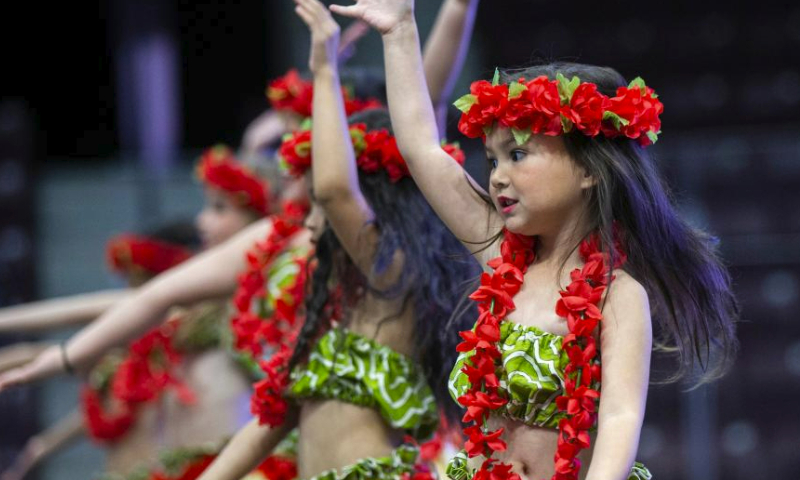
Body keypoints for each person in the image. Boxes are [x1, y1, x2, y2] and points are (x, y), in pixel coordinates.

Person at [329, 1, 740, 479]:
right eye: (492, 159)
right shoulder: (501, 256)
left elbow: (619, 418)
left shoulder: (618, 294)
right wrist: (399, 31)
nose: (498, 177)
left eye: (518, 154)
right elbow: (421, 149)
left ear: (588, 169)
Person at [194, 2, 480, 479]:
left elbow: (333, 185)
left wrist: (325, 68)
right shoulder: (342, 310)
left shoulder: (392, 272)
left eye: (318, 213)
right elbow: (267, 423)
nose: (308, 222)